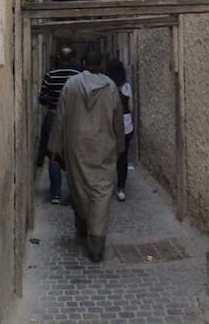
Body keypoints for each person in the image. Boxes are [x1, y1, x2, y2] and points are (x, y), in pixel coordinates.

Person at [49, 52, 124, 263]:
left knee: (79, 187)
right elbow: (118, 120)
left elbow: (60, 117)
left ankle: (82, 225)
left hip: (76, 146)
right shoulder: (110, 87)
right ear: (101, 64)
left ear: (83, 63)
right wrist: (120, 146)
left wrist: (55, 147)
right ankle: (97, 244)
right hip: (103, 146)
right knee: (101, 192)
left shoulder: (71, 85)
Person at [37, 46, 79, 204]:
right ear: (73, 58)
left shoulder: (50, 76)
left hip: (54, 117)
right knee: (74, 155)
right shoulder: (78, 76)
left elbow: (42, 98)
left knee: (53, 155)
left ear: (59, 58)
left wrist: (52, 99)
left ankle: (55, 193)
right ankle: (75, 192)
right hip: (74, 118)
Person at [106, 58, 134, 201]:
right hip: (126, 126)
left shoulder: (105, 87)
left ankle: (104, 185)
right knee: (122, 157)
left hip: (108, 125)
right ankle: (121, 188)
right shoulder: (127, 87)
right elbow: (131, 107)